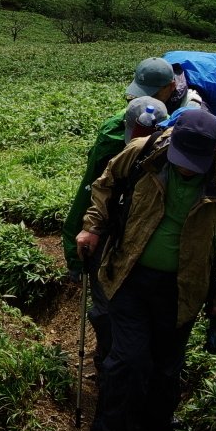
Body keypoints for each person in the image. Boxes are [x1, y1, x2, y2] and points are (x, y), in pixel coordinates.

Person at [75, 106, 216, 431]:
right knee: (129, 361)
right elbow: (104, 184)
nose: (186, 169)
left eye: (193, 164)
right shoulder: (143, 152)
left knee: (165, 368)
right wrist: (93, 227)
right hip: (129, 275)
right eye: (182, 161)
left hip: (186, 287)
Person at [60, 57, 186, 275]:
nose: (143, 97)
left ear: (171, 87)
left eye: (153, 92)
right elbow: (91, 189)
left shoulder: (188, 113)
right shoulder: (114, 133)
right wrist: (76, 251)